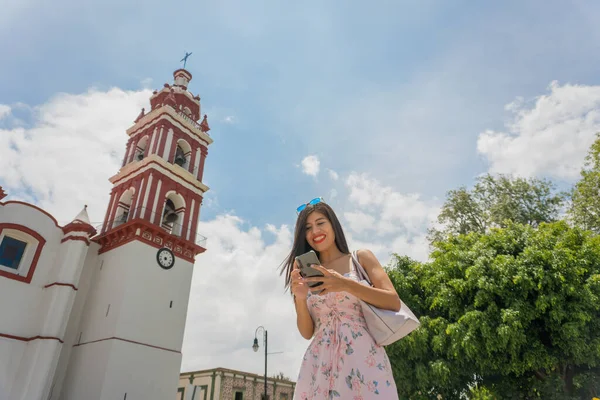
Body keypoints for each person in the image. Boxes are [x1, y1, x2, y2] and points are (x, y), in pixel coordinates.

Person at [280, 198, 401, 399]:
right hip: (319, 364)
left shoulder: (360, 258)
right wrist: (300, 299)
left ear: (333, 224)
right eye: (308, 228)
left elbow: (393, 301)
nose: (315, 231)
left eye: (320, 223)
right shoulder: (303, 271)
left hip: (364, 359)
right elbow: (307, 332)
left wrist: (345, 284)